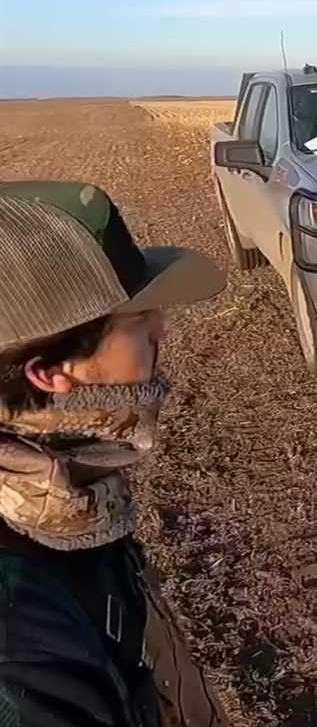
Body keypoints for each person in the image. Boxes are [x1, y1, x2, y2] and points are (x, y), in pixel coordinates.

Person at [0, 181, 227, 726]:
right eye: (137, 323)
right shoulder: (18, 647)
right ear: (51, 373)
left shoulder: (54, 501)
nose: (162, 330)